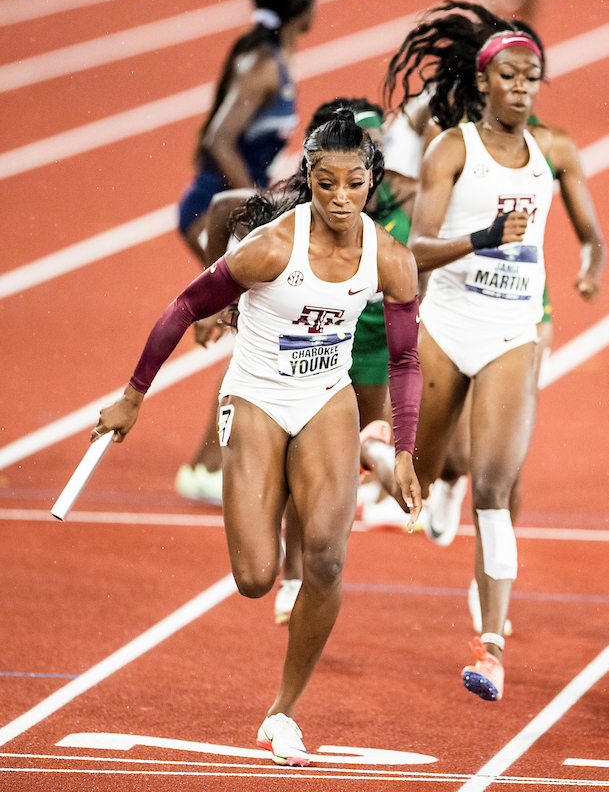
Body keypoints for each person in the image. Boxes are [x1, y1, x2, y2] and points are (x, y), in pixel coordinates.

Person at [92, 111, 423, 765]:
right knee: (253, 577)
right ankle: (294, 490)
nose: (338, 197)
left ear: (371, 184)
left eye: (353, 184)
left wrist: (408, 448)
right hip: (257, 397)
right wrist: (133, 396)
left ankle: (282, 714)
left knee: (327, 559)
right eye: (325, 182)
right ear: (309, 177)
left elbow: (408, 362)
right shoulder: (271, 245)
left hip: (326, 399)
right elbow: (185, 305)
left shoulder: (390, 258)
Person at [386, 0, 583, 702]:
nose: (524, 86)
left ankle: (490, 646)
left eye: (534, 75)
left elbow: (582, 223)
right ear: (485, 81)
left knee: (495, 492)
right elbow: (417, 253)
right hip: (446, 325)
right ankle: (386, 467)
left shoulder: (549, 153)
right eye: (511, 74)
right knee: (417, 472)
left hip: (511, 333)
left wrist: (592, 255)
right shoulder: (451, 149)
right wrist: (487, 237)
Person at [174, 0, 316, 504]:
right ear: (303, 10)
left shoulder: (269, 56)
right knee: (255, 330)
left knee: (254, 328)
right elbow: (217, 137)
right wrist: (254, 205)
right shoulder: (263, 64)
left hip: (227, 211)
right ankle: (208, 466)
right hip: (215, 213)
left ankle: (210, 463)